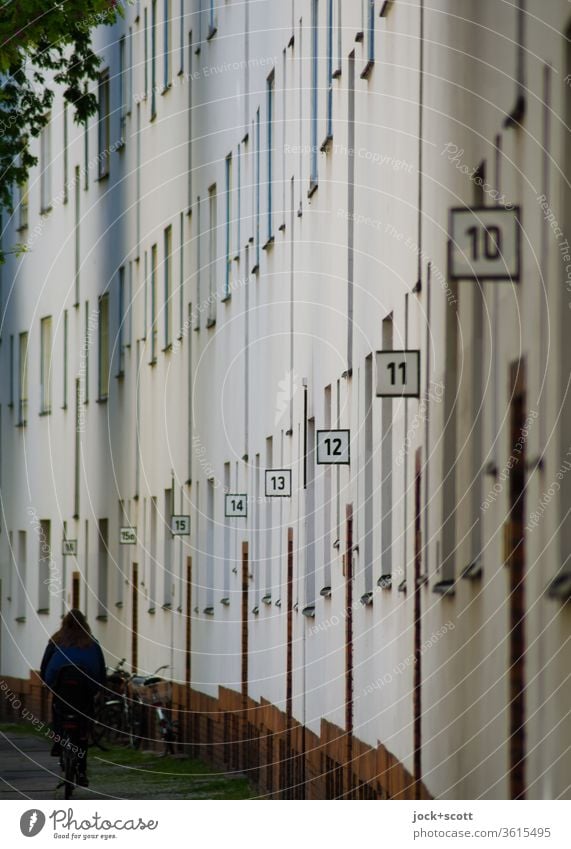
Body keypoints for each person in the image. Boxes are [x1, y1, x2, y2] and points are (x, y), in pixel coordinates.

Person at [40, 609, 106, 786]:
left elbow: (44, 666)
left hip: (61, 688)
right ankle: (82, 770)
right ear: (85, 624)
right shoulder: (92, 643)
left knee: (58, 710)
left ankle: (57, 739)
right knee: (83, 727)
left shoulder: (56, 641)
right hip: (85, 690)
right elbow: (101, 669)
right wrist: (99, 687)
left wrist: (47, 682)